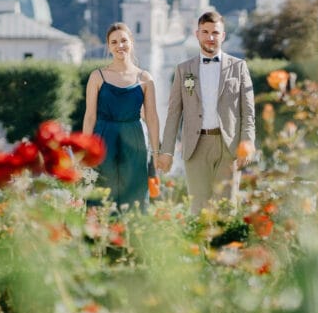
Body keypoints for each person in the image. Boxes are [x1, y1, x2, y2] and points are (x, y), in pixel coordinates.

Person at [157, 11, 255, 213]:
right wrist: (166, 151)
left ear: (223, 35)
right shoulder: (184, 70)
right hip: (195, 146)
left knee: (226, 207)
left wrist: (247, 143)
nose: (210, 37)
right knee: (199, 208)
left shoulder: (239, 67)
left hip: (227, 146)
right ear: (197, 34)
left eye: (215, 33)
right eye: (205, 32)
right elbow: (174, 114)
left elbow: (248, 112)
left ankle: (226, 246)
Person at [82, 22, 161, 210]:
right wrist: (85, 151)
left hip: (134, 140)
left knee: (134, 194)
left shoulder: (145, 78)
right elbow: (90, 117)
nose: (120, 46)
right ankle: (99, 236)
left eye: (124, 40)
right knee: (100, 193)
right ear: (108, 46)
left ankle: (132, 237)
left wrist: (156, 152)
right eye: (114, 42)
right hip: (102, 140)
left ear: (131, 42)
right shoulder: (97, 76)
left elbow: (151, 118)